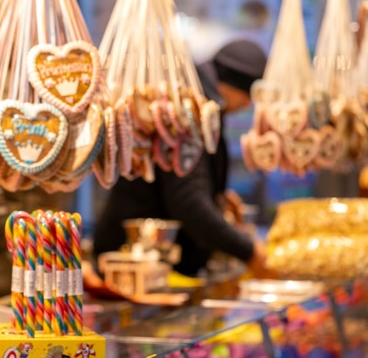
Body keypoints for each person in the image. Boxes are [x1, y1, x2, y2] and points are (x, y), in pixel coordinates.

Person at [93, 39, 270, 278]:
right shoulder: (187, 116)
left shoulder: (200, 109)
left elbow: (183, 184)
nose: (248, 104)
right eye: (247, 93)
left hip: (152, 267)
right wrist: (249, 252)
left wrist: (215, 195)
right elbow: (188, 202)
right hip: (136, 266)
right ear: (230, 83)